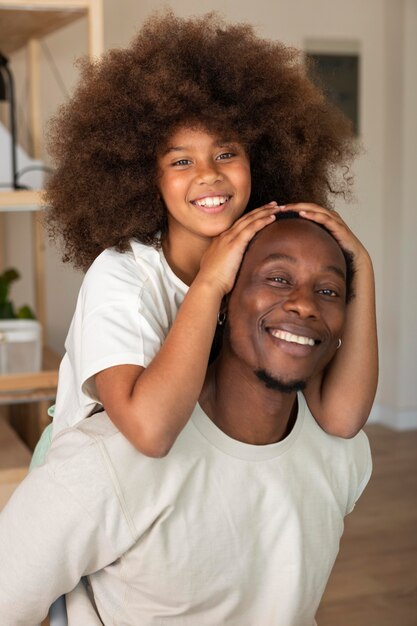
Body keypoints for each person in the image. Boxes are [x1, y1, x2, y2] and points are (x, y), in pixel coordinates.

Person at [31, 11, 377, 465]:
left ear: (260, 156)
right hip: (91, 490)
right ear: (141, 175)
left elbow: (342, 418)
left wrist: (361, 269)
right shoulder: (121, 278)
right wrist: (210, 283)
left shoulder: (266, 267)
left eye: (226, 153)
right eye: (180, 161)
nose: (209, 175)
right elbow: (149, 432)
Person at [0, 213, 372, 625]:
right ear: (224, 301)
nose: (304, 303)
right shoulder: (102, 464)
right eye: (278, 279)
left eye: (328, 289)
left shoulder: (343, 454)